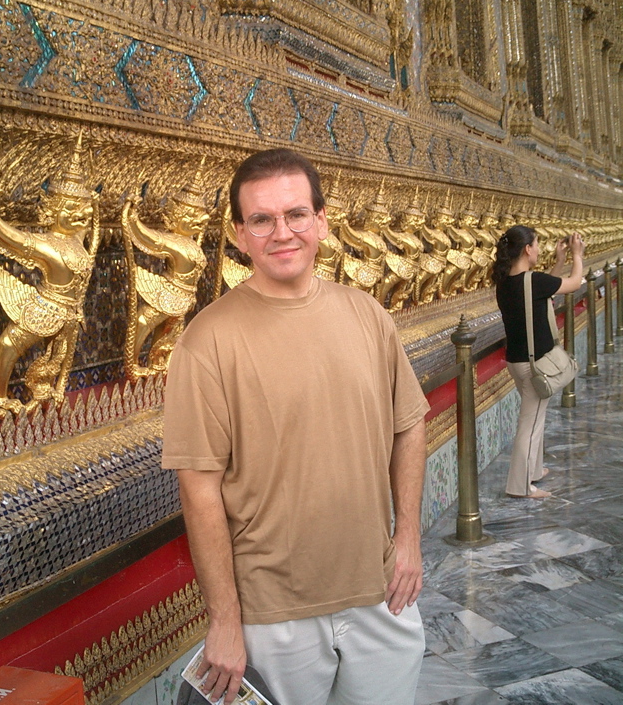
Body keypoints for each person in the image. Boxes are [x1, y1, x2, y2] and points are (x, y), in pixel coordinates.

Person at [162, 148, 430, 705]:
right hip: (273, 616)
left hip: (379, 594)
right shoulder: (207, 342)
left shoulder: (367, 315)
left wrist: (407, 538)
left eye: (296, 215)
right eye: (261, 219)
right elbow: (200, 488)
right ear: (239, 234)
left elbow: (410, 425)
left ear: (322, 221)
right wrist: (226, 621)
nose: (281, 232)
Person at [492, 225, 584, 498]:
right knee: (529, 425)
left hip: (518, 362)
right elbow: (575, 283)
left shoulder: (507, 281)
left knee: (535, 420)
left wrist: (559, 262)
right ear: (527, 250)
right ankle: (520, 487)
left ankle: (533, 471)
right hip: (535, 365)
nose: (540, 249)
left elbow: (541, 292)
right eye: (538, 244)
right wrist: (577, 255)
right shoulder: (531, 281)